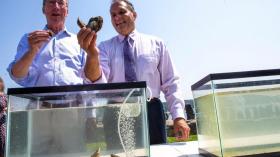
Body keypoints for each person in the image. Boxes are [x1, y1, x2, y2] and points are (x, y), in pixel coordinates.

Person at [77, 0, 190, 145]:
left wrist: (178, 117)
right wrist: (92, 54)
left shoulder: (157, 43)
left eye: (122, 12)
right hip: (115, 113)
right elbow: (96, 81)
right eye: (113, 15)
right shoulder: (104, 47)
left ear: (134, 15)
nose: (117, 17)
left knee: (155, 153)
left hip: (151, 112)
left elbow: (171, 82)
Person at [7, 0, 103, 155]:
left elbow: (92, 80)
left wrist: (92, 54)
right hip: (38, 114)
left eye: (61, 2)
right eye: (51, 2)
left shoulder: (79, 41)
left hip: (73, 113)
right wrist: (32, 51)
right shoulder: (29, 39)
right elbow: (17, 75)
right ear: (43, 9)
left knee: (74, 154)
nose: (56, 6)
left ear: (67, 10)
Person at [0, 77, 7, 157]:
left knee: (2, 145)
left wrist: (6, 108)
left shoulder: (4, 96)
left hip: (2, 124)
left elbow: (11, 107)